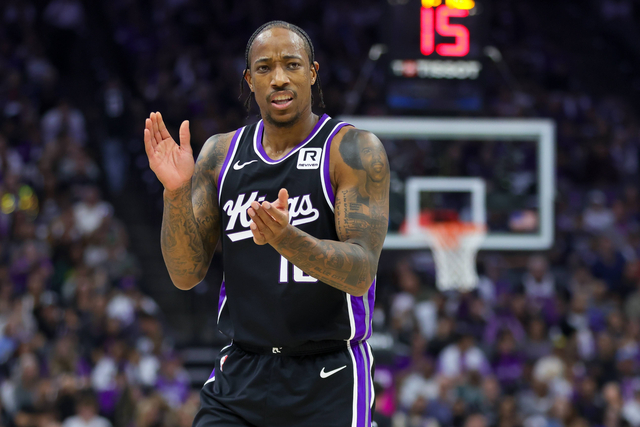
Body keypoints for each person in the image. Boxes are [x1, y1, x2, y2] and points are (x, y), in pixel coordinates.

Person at [143, 20, 389, 427]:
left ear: (312, 72)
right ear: (249, 80)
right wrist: (175, 193)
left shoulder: (352, 150)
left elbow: (361, 272)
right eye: (264, 68)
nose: (278, 78)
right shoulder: (219, 154)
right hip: (241, 370)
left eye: (292, 64)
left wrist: (286, 238)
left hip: (327, 374)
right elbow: (185, 275)